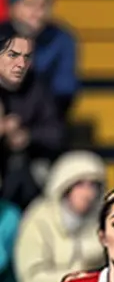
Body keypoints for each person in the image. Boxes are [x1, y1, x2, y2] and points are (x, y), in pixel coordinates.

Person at [12, 150, 106, 282]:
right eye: (80, 184)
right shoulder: (38, 220)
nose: (88, 192)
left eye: (93, 185)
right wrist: (79, 278)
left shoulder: (104, 221)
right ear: (65, 186)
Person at [0, 21, 67, 209]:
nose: (21, 64)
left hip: (28, 167)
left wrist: (27, 136)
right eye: (12, 55)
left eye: (27, 57)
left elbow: (56, 133)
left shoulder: (38, 88)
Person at [7, 0, 79, 117]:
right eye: (30, 4)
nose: (38, 12)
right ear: (13, 6)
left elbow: (64, 92)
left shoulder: (62, 40)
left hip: (44, 127)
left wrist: (27, 125)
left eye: (44, 5)